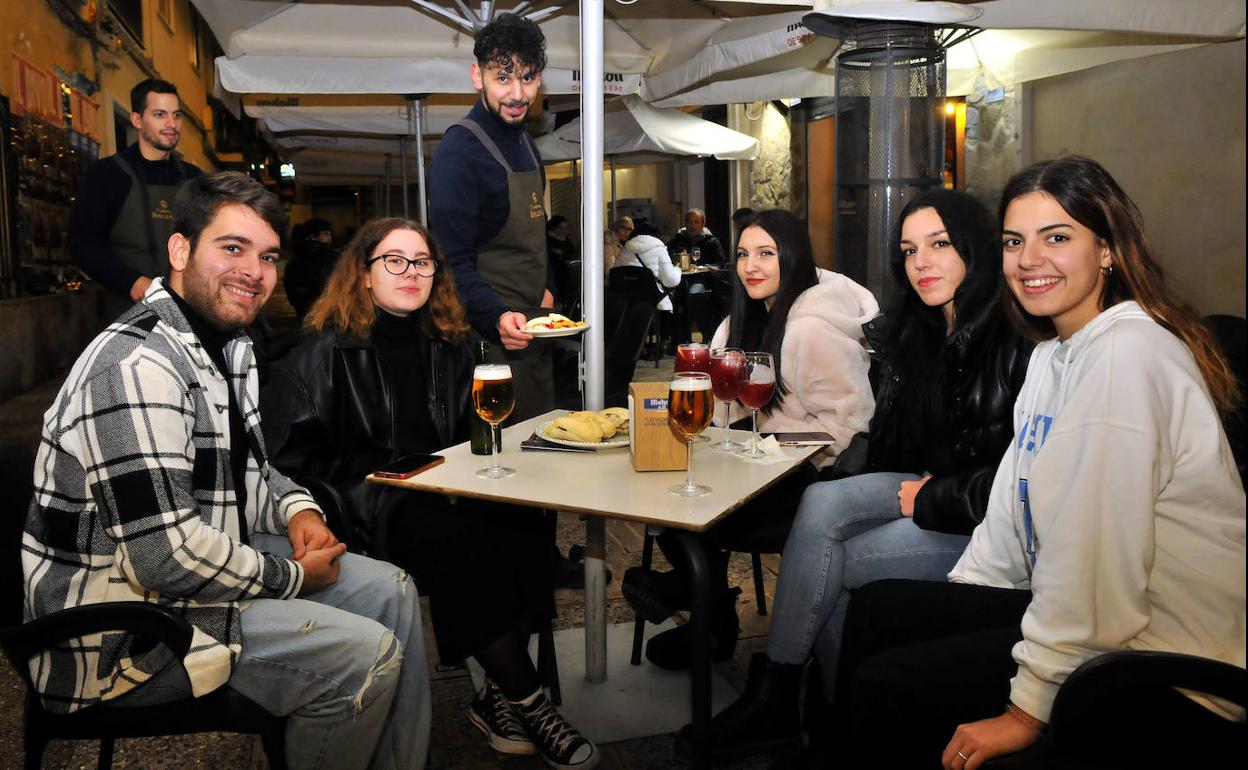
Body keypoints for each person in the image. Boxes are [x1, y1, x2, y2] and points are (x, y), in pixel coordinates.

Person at [838, 156, 1245, 770]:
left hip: (1167, 665)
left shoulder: (1126, 356)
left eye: (1057, 237)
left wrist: (1026, 710)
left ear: (1106, 250)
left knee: (888, 685)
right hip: (1104, 624)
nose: (1029, 259)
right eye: (1013, 241)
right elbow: (1008, 509)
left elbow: (1098, 559)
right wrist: (962, 606)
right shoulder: (1055, 355)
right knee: (881, 610)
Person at [22, 172, 430, 770]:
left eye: (267, 257)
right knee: (364, 655)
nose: (255, 271)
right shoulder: (138, 365)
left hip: (187, 576)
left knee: (393, 589)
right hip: (119, 637)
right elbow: (160, 558)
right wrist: (293, 576)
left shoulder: (228, 345)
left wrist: (301, 512)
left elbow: (253, 472)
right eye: (232, 248)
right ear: (181, 251)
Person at [685, 189, 1034, 761]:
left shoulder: (1013, 336)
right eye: (908, 249)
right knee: (819, 513)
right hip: (928, 485)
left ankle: (814, 707)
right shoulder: (923, 329)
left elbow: (1017, 474)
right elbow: (896, 437)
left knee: (828, 563)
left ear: (976, 248)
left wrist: (927, 491)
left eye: (940, 245)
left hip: (986, 517)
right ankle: (810, 702)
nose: (921, 262)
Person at [261, 218, 599, 770]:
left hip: (445, 487)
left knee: (527, 521)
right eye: (394, 260)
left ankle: (498, 697)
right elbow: (283, 466)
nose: (411, 271)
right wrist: (341, 499)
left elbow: (472, 433)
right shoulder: (320, 354)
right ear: (364, 275)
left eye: (421, 261)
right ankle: (530, 700)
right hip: (370, 506)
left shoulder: (450, 342)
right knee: (460, 538)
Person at [625, 209, 877, 671]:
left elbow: (851, 429)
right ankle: (711, 615)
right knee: (669, 483)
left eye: (766, 253)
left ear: (794, 258)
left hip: (812, 482)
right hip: (760, 463)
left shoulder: (811, 329)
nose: (750, 266)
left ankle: (701, 608)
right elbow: (727, 408)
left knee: (696, 506)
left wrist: (772, 445)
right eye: (743, 254)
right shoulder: (739, 321)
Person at [429, 13, 558, 422]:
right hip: (487, 342)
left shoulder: (527, 143)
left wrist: (548, 289)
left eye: (528, 77)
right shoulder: (459, 153)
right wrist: (498, 316)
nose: (518, 93)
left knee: (542, 451)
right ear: (477, 76)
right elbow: (451, 264)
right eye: (503, 77)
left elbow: (538, 235)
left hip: (533, 329)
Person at [69, 78, 202, 319]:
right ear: (137, 120)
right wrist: (132, 282)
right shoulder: (108, 175)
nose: (172, 124)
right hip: (125, 316)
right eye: (160, 114)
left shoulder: (195, 179)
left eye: (177, 115)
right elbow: (83, 244)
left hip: (189, 314)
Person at [284, 217, 341, 319]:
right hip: (322, 306)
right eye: (325, 234)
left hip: (304, 307)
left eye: (330, 234)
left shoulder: (297, 257)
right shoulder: (327, 256)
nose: (329, 238)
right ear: (312, 236)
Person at [613, 230, 682, 312]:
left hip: (627, 304)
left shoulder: (624, 250)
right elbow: (670, 281)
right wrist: (678, 270)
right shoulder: (660, 250)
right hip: (655, 302)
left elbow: (615, 274)